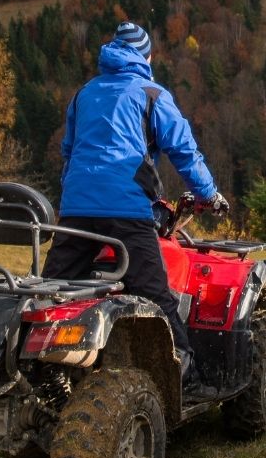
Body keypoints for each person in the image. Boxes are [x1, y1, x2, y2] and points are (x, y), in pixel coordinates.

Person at [51, 22, 229, 389]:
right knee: (154, 295)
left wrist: (73, 194)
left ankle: (47, 376)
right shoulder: (151, 93)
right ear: (146, 56)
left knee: (54, 291)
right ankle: (185, 377)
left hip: (76, 209)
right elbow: (184, 151)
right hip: (126, 211)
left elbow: (68, 152)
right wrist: (210, 194)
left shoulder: (84, 93)